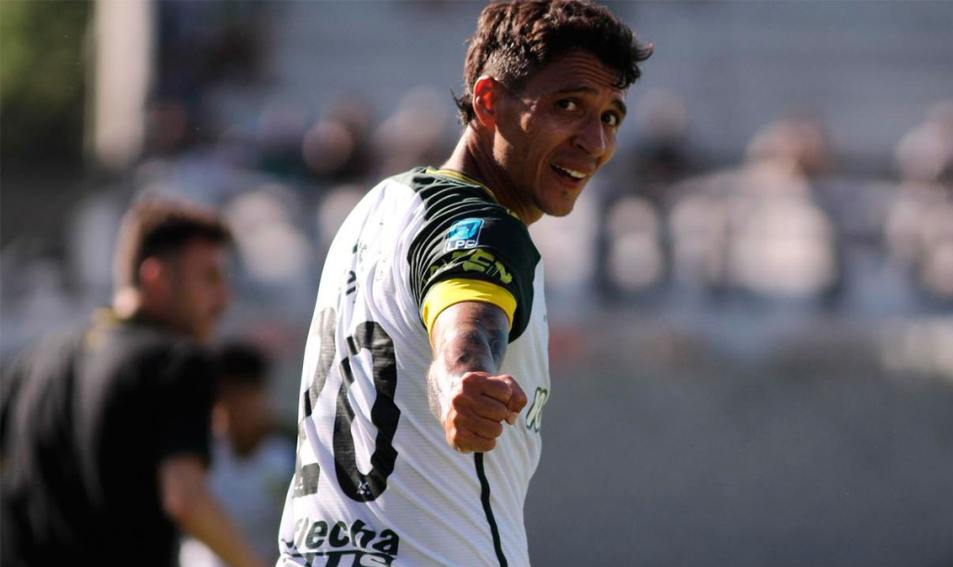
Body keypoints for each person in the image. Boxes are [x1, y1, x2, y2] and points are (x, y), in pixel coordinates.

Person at [276, 1, 651, 566]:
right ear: (489, 101)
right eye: (567, 105)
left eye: (611, 117)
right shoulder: (486, 229)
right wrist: (462, 379)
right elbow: (466, 325)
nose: (594, 142)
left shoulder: (378, 207)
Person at [1, 200, 265, 567]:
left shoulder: (37, 358)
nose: (223, 298)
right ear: (155, 277)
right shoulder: (177, 360)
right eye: (210, 278)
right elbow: (185, 498)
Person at [180, 341, 294, 567]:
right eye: (226, 399)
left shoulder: (288, 455)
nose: (233, 411)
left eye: (242, 398)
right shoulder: (197, 454)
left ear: (260, 395)